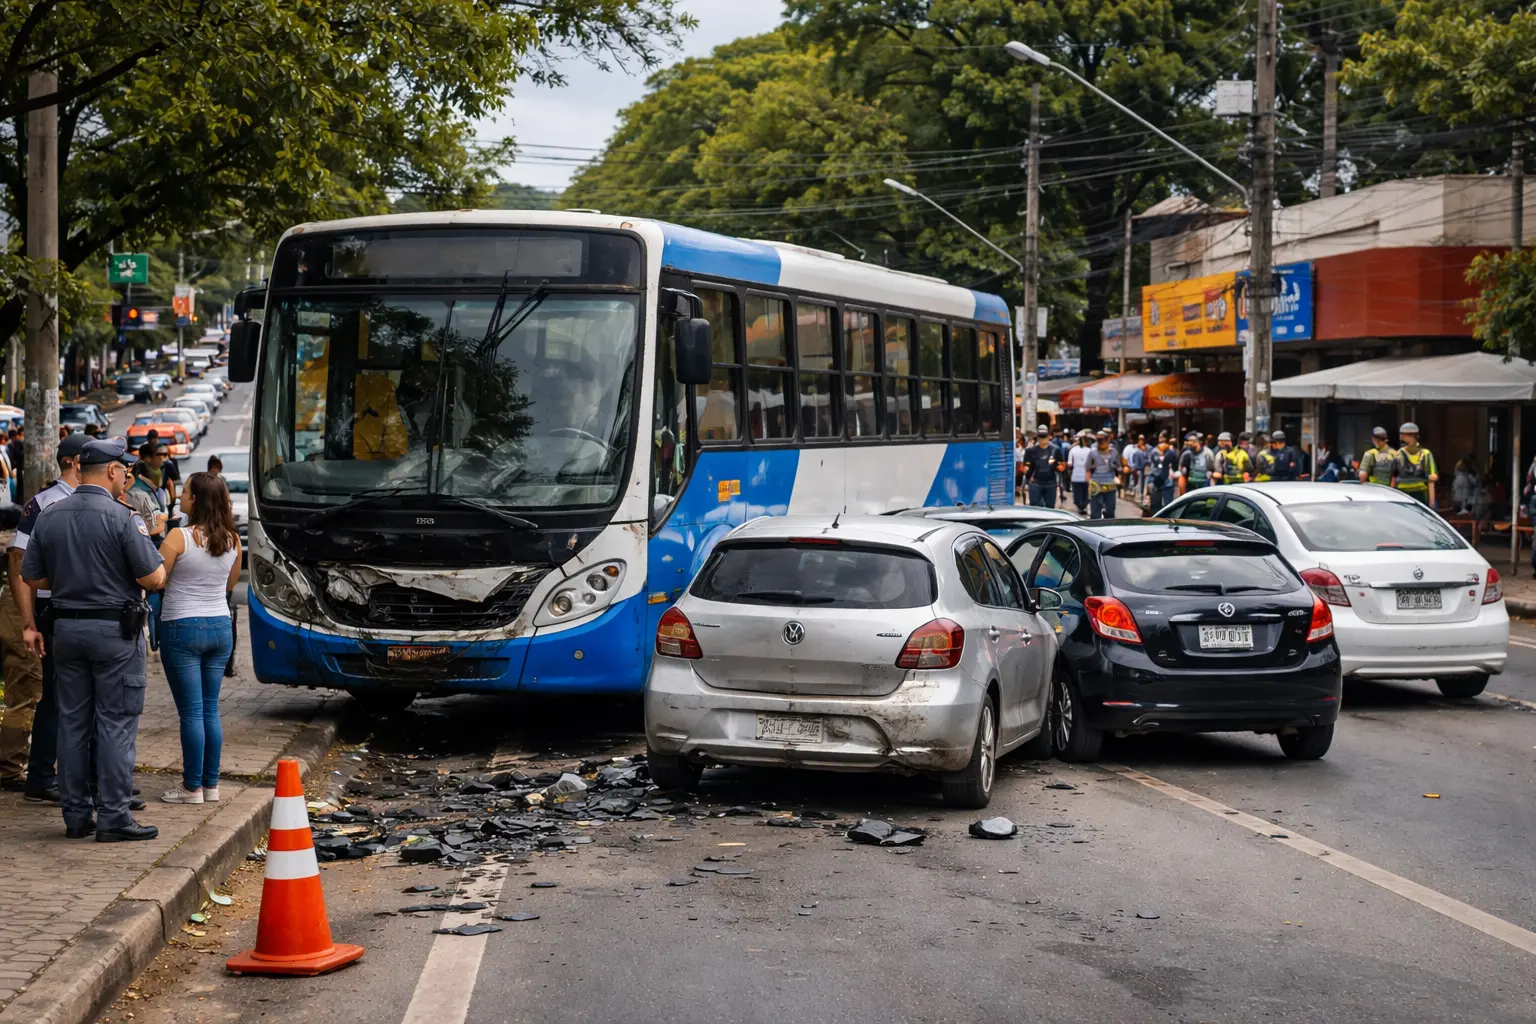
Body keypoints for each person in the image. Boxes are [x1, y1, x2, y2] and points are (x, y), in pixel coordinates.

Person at [19, 438, 166, 842]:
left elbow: (31, 576)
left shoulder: (50, 514)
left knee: (72, 723)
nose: (127, 476)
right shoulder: (124, 517)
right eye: (125, 469)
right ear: (114, 472)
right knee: (116, 723)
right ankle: (115, 817)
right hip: (115, 633)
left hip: (66, 630)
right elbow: (152, 577)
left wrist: (70, 579)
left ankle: (76, 817)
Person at [0, 433, 90, 801]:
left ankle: (58, 773)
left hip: (76, 609)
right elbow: (18, 560)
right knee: (51, 695)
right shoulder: (45, 503)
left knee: (68, 696)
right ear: (76, 463)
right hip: (51, 608)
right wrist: (28, 621)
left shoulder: (90, 500)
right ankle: (40, 775)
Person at [156, 472, 241, 805]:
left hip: (182, 626)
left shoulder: (179, 537)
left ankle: (191, 788)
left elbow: (156, 579)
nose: (180, 496)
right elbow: (230, 584)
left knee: (191, 713)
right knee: (209, 710)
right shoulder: (233, 540)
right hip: (220, 627)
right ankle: (210, 785)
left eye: (186, 492)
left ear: (198, 500)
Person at [127, 443, 172, 545]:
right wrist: (165, 517)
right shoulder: (139, 494)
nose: (161, 463)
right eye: (158, 458)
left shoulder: (155, 491)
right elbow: (154, 526)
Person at [1392, 423, 1439, 505]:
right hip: (1402, 493)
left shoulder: (1425, 454)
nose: (1402, 438)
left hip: (1420, 493)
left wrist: (1431, 502)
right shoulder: (1398, 454)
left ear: (1413, 436)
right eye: (1401, 435)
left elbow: (1432, 478)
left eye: (1404, 435)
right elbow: (1394, 477)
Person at [1021, 425, 1063, 508]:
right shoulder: (1030, 451)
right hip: (1035, 483)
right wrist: (1027, 479)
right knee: (1035, 508)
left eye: (1044, 436)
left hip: (1051, 483)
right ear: (1037, 437)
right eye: (1040, 436)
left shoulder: (1055, 449)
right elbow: (1025, 467)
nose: (1043, 438)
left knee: (1050, 509)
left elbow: (1061, 467)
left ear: (1049, 436)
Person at [1086, 430, 1120, 520]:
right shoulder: (1092, 452)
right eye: (1099, 440)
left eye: (1103, 439)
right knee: (1095, 512)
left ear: (1108, 439)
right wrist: (1088, 483)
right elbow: (1088, 469)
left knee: (1110, 510)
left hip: (1110, 484)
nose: (1101, 442)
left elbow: (1118, 467)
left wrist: (1119, 477)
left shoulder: (1113, 452)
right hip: (1096, 484)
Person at [1066, 430, 1093, 514]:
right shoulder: (1090, 450)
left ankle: (1080, 506)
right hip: (1086, 477)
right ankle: (1083, 506)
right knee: (1086, 494)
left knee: (1077, 494)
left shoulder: (1072, 450)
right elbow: (1093, 463)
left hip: (1076, 476)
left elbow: (1069, 464)